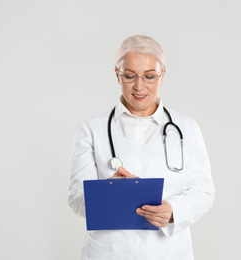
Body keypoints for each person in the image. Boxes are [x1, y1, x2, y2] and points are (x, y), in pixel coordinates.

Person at [68, 35, 215, 259]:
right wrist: (108, 190)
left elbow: (203, 191)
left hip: (169, 251)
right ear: (117, 75)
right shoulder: (92, 129)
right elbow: (76, 198)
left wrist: (173, 211)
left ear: (162, 75)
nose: (139, 86)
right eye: (129, 76)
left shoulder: (186, 128)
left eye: (149, 76)